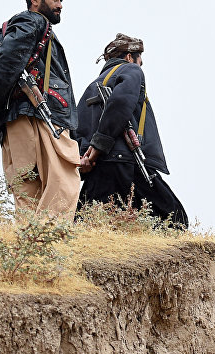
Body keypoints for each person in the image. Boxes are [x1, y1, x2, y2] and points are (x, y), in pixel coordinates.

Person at [0, 0, 81, 219]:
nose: (59, 5)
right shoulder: (33, 21)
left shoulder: (22, 25)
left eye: (61, 0)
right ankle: (49, 239)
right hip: (40, 117)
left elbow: (5, 62)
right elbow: (8, 60)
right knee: (63, 184)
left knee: (27, 192)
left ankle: (30, 241)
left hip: (17, 118)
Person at [75, 34, 188, 227]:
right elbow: (121, 101)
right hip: (127, 162)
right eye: (139, 59)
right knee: (175, 220)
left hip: (98, 168)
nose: (140, 64)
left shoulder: (91, 86)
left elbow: (78, 130)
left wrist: (85, 157)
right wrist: (100, 143)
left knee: (87, 224)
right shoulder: (131, 70)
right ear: (129, 57)